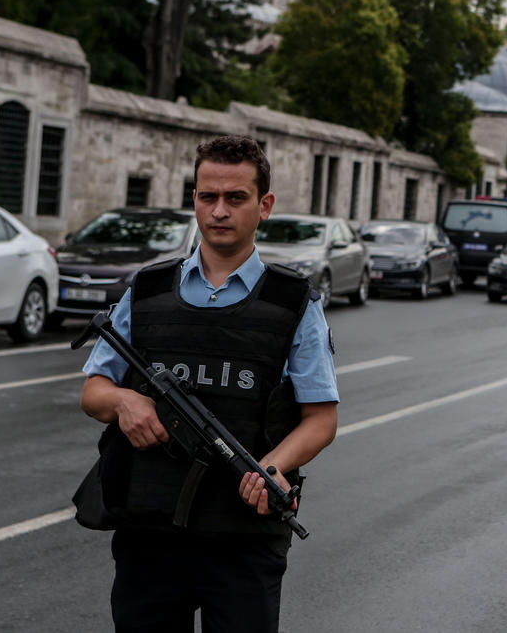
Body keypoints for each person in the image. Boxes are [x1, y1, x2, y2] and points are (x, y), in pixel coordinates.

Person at [79, 135, 339, 632]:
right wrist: (124, 402)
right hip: (149, 533)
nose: (219, 211)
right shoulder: (149, 288)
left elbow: (321, 419)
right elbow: (94, 391)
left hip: (243, 538)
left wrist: (273, 466)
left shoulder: (294, 302)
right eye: (207, 197)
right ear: (194, 200)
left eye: (235, 198)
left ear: (264, 206)